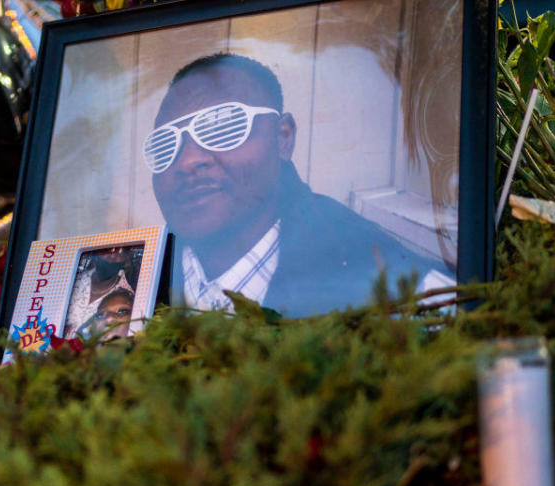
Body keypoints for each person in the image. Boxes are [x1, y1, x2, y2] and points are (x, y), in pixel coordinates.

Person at [144, 53, 448, 317]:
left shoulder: (407, 295)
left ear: (283, 137)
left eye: (224, 127)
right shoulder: (134, 284)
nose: (187, 161)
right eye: (164, 145)